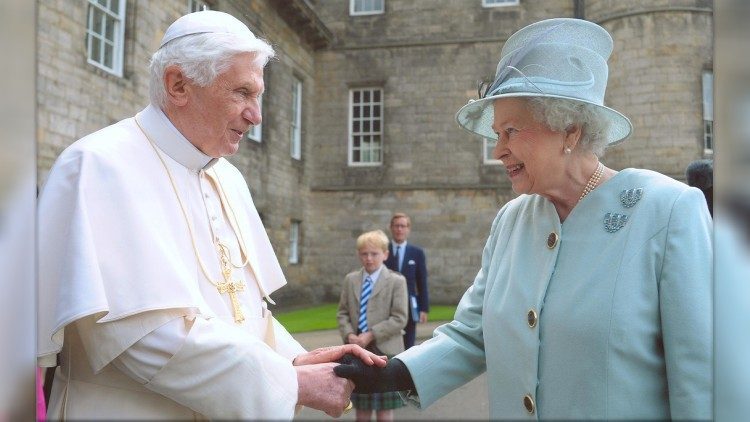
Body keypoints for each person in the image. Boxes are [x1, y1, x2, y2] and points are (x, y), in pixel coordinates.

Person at [335, 18, 712, 420]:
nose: (498, 150)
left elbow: (704, 379)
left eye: (511, 130)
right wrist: (390, 372)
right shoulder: (511, 221)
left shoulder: (667, 210)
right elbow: (471, 335)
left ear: (570, 130)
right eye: (497, 133)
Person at [36, 11, 385, 420]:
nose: (256, 116)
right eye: (241, 93)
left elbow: (249, 314)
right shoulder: (97, 165)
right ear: (178, 85)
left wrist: (296, 361)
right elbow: (139, 339)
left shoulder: (229, 178)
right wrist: (289, 383)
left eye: (258, 96)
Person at [337, 230, 408, 421]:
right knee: (362, 410)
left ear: (385, 254)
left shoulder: (396, 281)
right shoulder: (351, 279)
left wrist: (371, 334)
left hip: (385, 352)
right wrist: (349, 335)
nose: (369, 259)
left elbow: (400, 318)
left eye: (374, 253)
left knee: (384, 411)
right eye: (364, 254)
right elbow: (342, 313)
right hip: (357, 352)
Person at [384, 212, 429, 349]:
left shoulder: (417, 253)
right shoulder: (382, 251)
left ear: (408, 229)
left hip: (409, 305)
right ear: (391, 228)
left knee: (409, 344)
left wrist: (423, 308)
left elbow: (422, 281)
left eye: (403, 226)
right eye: (396, 226)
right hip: (386, 304)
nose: (399, 229)